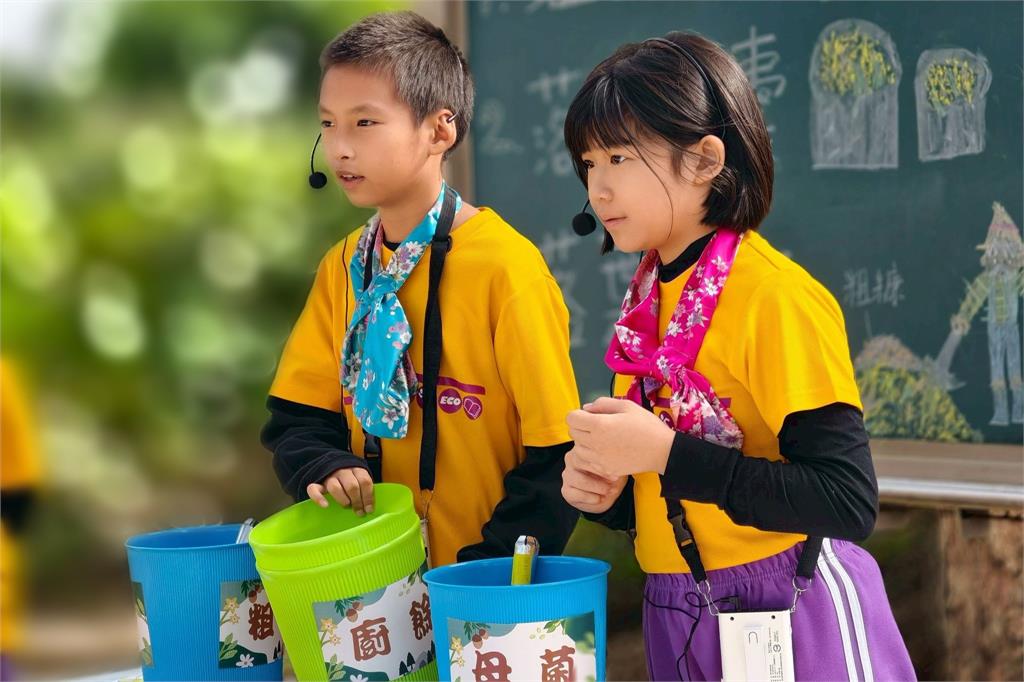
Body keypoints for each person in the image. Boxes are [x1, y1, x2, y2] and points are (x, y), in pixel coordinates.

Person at [559, 31, 915, 681]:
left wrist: (663, 454)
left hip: (788, 603)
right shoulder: (645, 311)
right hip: (675, 607)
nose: (598, 189)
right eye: (588, 163)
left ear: (704, 160)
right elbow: (674, 490)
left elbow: (847, 500)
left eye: (618, 157)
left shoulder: (774, 297)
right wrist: (604, 494)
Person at [261, 11, 580, 568]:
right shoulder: (343, 267)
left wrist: (490, 569)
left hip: (481, 584)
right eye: (328, 123)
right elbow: (296, 420)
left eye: (364, 123)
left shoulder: (507, 268)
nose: (339, 148)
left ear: (440, 129)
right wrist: (326, 466)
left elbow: (557, 455)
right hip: (369, 585)